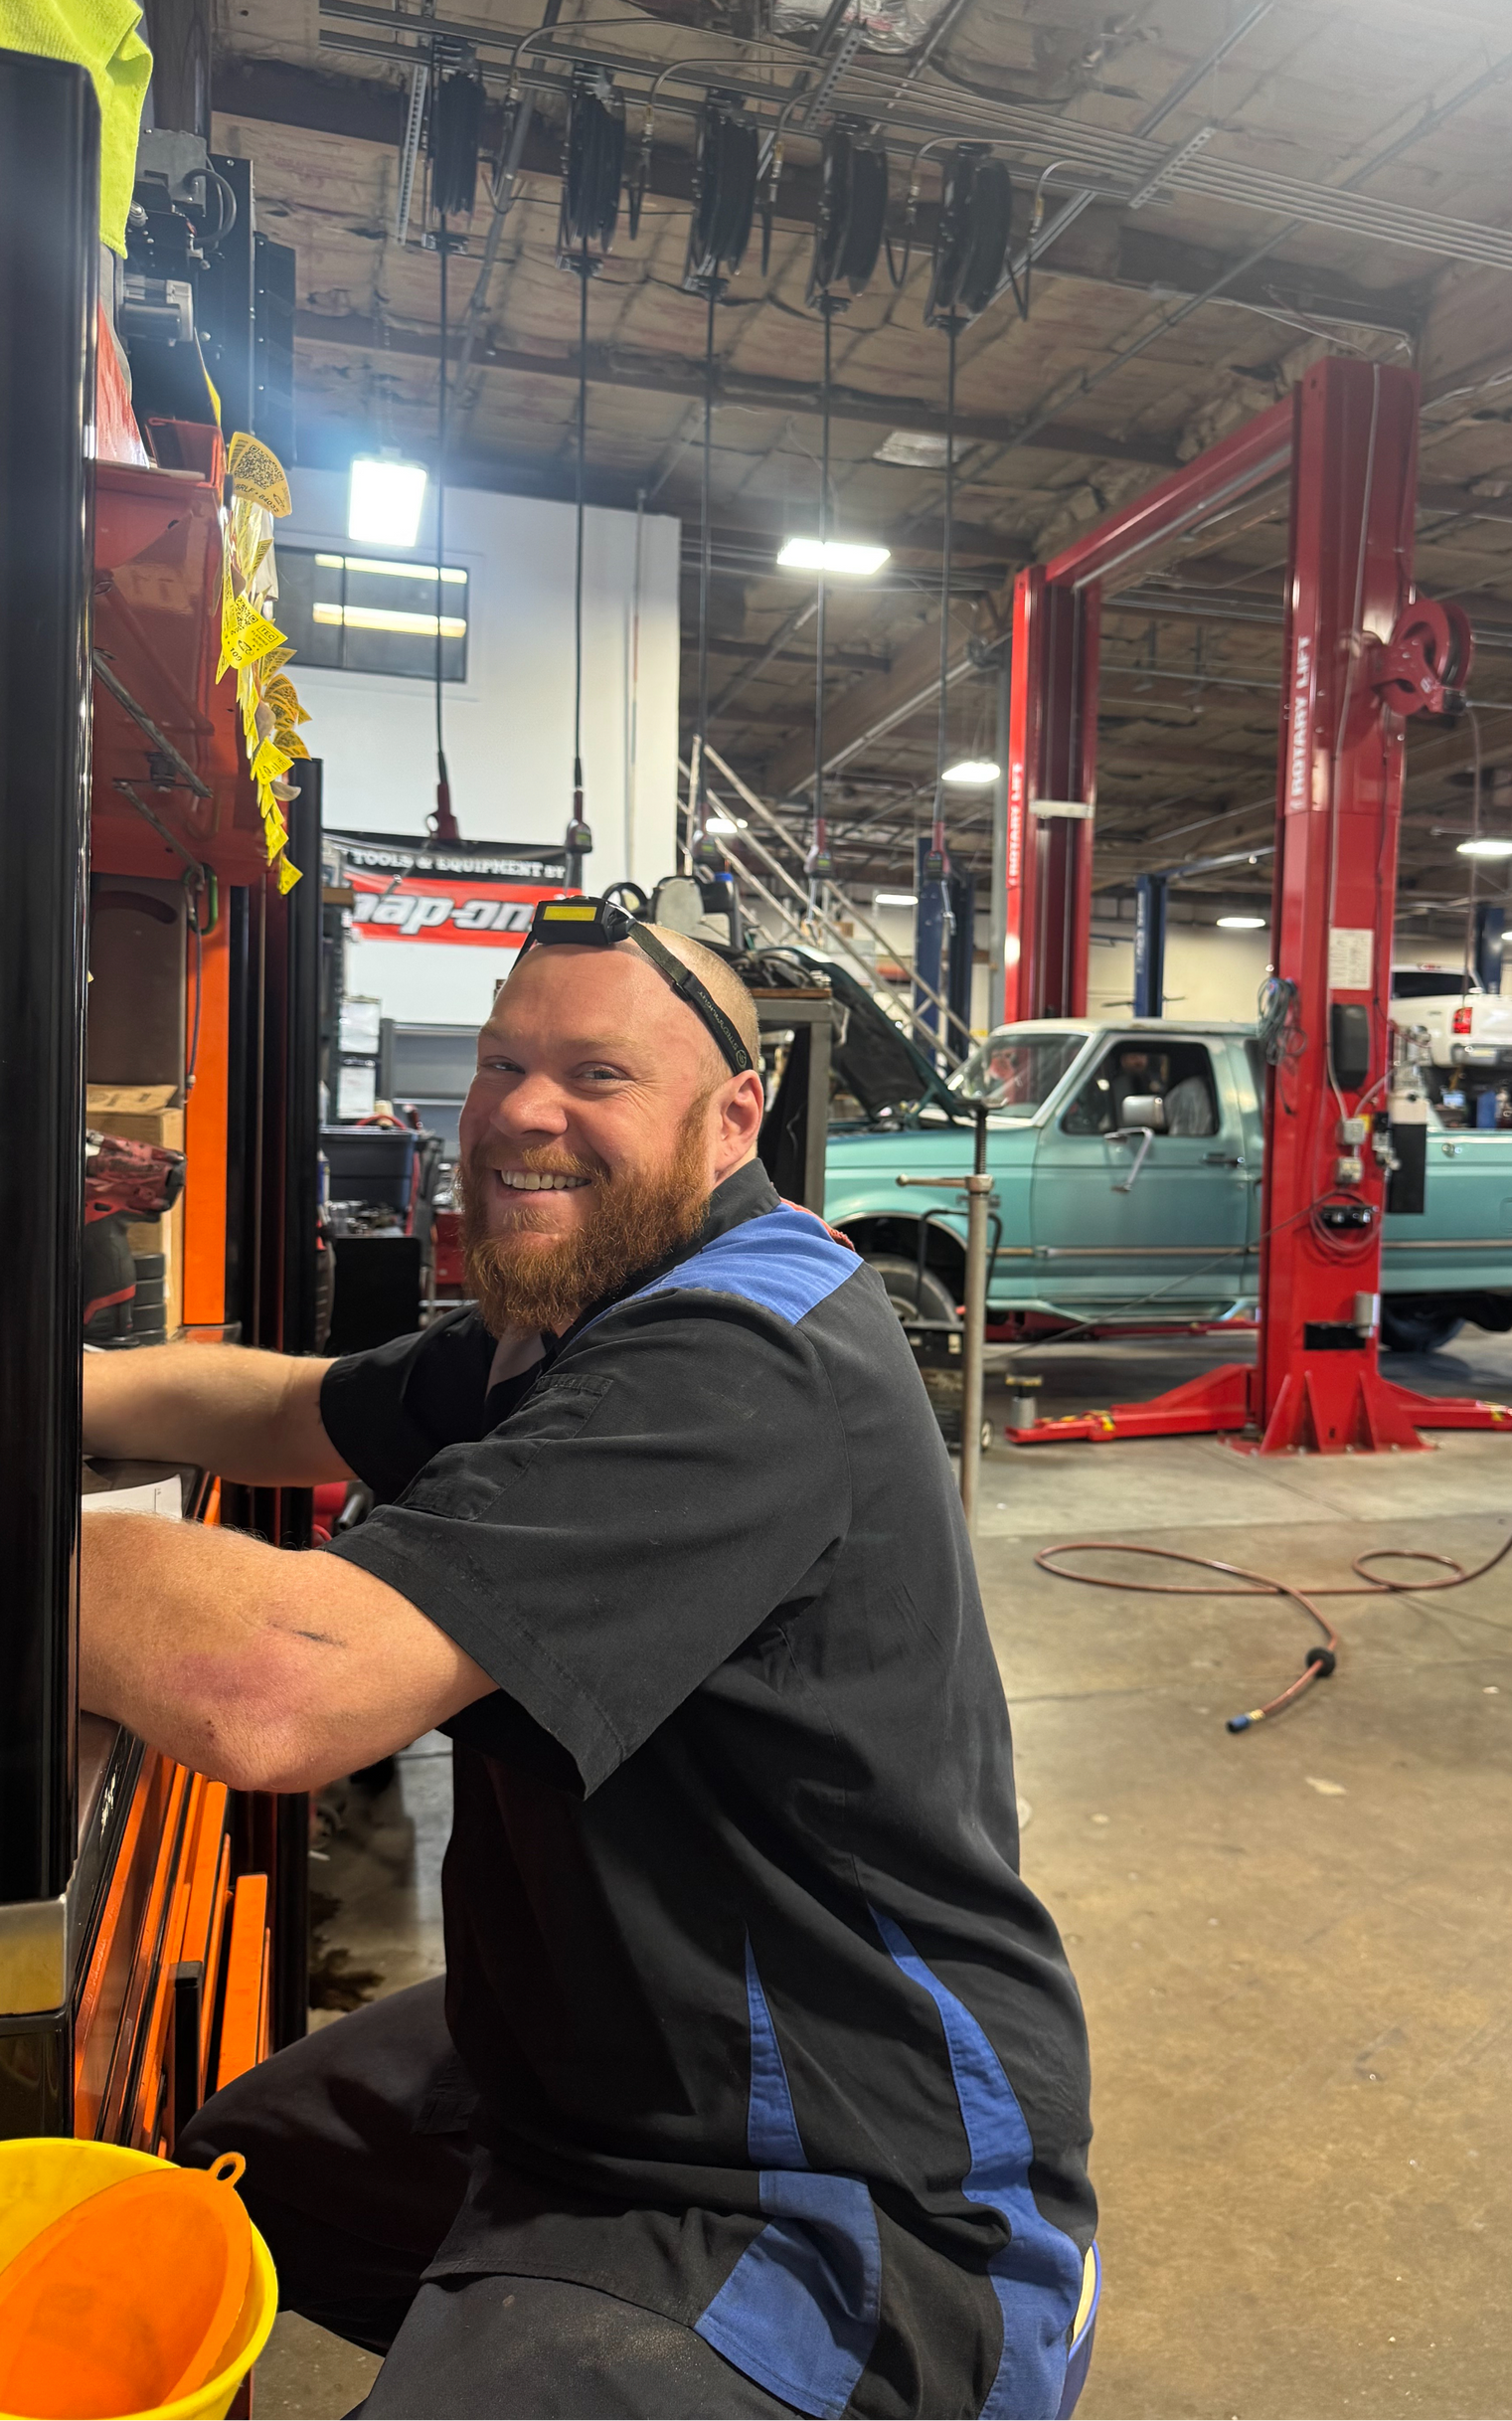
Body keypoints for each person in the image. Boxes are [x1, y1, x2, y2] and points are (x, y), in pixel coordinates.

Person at [80, 904, 1094, 2421]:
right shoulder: (582, 1310)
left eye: (596, 1073)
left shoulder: (743, 1356)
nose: (522, 1113)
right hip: (599, 2058)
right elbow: (296, 1408)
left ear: (733, 1116)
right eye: (503, 1064)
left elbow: (280, 1684)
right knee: (217, 2191)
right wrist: (52, 1386)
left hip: (822, 2173)